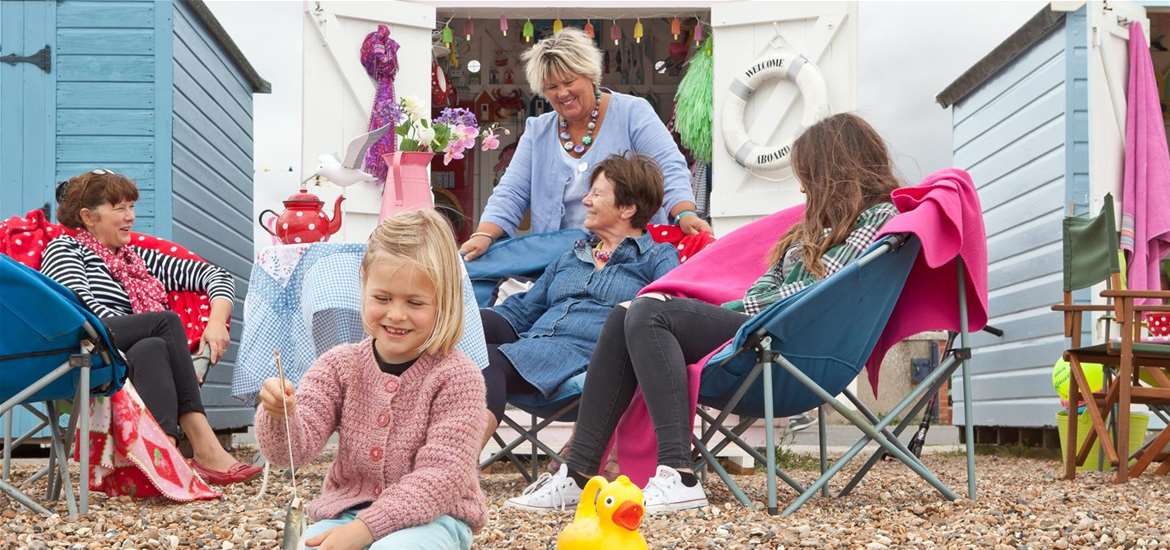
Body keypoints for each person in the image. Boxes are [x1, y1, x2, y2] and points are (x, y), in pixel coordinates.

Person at [505, 113, 903, 514]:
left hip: (791, 344)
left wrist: (733, 310)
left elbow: (823, 291)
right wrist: (733, 308)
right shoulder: (808, 230)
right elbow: (766, 284)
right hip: (762, 328)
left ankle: (678, 472)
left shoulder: (879, 219)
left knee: (648, 312)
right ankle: (578, 475)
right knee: (627, 314)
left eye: (808, 174)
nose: (802, 185)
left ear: (834, 170)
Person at [255, 209, 485, 550]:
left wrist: (366, 531)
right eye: (382, 298)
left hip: (436, 518)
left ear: (444, 302)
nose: (395, 314)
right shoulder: (338, 365)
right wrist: (278, 413)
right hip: (347, 512)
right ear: (364, 288)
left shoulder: (458, 377)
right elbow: (290, 452)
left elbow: (441, 477)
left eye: (415, 302)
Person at [41, 170, 261, 485]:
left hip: (131, 349)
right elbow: (80, 313)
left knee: (152, 346)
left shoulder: (138, 259)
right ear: (88, 216)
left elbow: (216, 276)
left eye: (132, 207)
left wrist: (216, 322)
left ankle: (162, 461)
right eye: (119, 208)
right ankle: (204, 444)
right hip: (87, 343)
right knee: (164, 323)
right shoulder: (66, 250)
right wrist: (142, 327)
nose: (130, 216)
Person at [479, 153, 679, 447]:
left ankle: (459, 466)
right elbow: (523, 311)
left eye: (596, 194)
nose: (586, 200)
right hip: (533, 347)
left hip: (591, 360)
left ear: (627, 208)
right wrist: (465, 321)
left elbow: (666, 311)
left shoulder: (657, 257)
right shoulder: (573, 255)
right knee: (457, 339)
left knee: (488, 359)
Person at [459, 28, 710, 261]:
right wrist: (484, 234)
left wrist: (684, 212)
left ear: (590, 75)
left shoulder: (633, 112)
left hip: (630, 255)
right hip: (558, 260)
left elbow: (668, 167)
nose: (562, 93)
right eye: (551, 87)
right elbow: (511, 192)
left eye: (569, 82)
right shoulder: (538, 130)